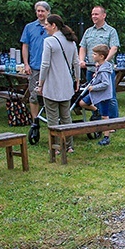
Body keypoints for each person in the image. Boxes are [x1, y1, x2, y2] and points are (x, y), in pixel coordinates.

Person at [36, 15, 80, 153]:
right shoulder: (71, 42)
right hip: (67, 84)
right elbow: (76, 63)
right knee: (66, 116)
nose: (45, 27)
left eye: (47, 25)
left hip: (52, 84)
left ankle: (55, 147)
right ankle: (69, 145)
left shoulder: (49, 41)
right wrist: (77, 80)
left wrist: (41, 83)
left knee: (52, 118)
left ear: (54, 25)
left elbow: (45, 65)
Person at [79, 5, 119, 118]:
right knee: (93, 96)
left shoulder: (111, 31)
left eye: (96, 14)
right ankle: (98, 119)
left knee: (109, 97)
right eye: (92, 14)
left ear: (104, 15)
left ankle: (113, 122)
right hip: (91, 70)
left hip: (105, 71)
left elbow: (114, 48)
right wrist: (81, 60)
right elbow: (82, 47)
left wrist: (103, 62)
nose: (93, 16)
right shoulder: (88, 31)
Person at [20, 1, 51, 119]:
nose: (40, 13)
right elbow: (25, 46)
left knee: (50, 94)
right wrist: (26, 64)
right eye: (38, 11)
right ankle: (35, 120)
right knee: (33, 94)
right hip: (35, 67)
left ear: (48, 12)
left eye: (42, 11)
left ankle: (51, 117)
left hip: (50, 67)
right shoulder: (29, 27)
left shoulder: (53, 27)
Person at [79, 44, 114, 146]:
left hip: (103, 95)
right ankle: (95, 110)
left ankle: (106, 136)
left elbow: (105, 84)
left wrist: (93, 87)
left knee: (105, 116)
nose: (93, 56)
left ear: (101, 56)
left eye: (95, 54)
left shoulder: (104, 69)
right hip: (95, 93)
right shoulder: (100, 66)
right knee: (82, 103)